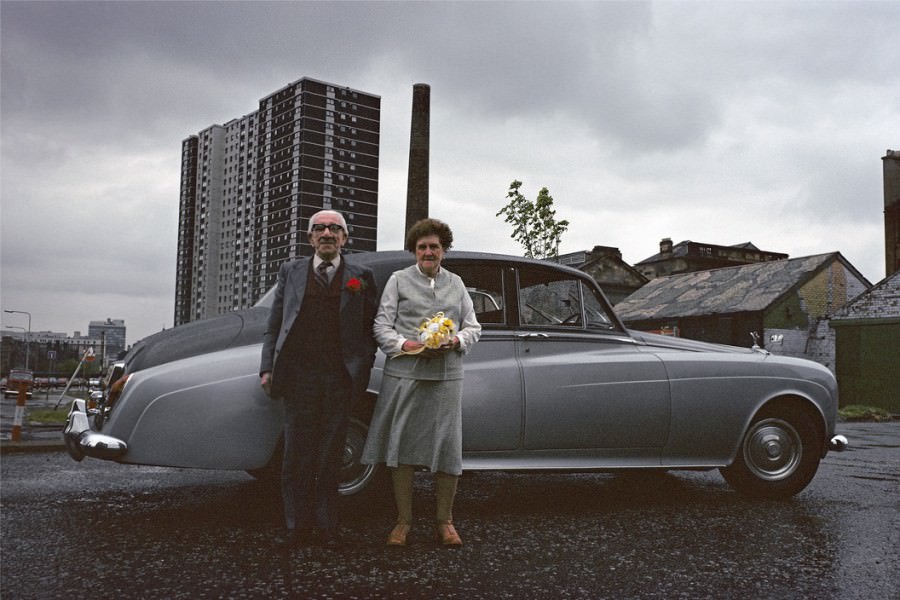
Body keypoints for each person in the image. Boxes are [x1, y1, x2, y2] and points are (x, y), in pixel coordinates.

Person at [259, 209, 378, 549]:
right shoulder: (291, 272)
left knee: (331, 455)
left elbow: (370, 327)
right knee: (297, 453)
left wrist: (363, 367)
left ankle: (327, 527)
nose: (327, 233)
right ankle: (297, 527)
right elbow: (275, 324)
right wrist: (267, 367)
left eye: (334, 228)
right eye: (320, 228)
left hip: (340, 379)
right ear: (310, 237)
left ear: (345, 238)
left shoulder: (362, 275)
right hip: (299, 377)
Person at [362, 218, 481, 547]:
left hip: (446, 376)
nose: (428, 252)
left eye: (434, 247)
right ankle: (403, 521)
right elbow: (381, 326)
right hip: (406, 374)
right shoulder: (398, 281)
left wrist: (455, 341)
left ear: (444, 251)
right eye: (422, 247)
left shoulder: (457, 284)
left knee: (446, 448)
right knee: (401, 448)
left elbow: (473, 326)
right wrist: (407, 346)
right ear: (414, 251)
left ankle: (445, 521)